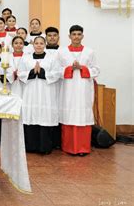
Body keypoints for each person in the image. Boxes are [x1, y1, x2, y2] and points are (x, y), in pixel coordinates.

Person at [59, 25, 100, 156]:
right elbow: (55, 70)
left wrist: (83, 68)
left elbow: (96, 69)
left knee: (83, 116)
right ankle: (68, 147)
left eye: (79, 34)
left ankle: (83, 148)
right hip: (68, 90)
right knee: (69, 115)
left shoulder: (90, 52)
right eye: (74, 34)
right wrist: (69, 68)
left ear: (82, 36)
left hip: (84, 90)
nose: (76, 36)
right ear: (69, 36)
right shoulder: (62, 52)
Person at [18, 36, 61, 154]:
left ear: (45, 44)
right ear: (33, 45)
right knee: (31, 116)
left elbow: (57, 73)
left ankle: (44, 147)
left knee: (44, 117)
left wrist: (42, 72)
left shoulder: (52, 59)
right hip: (30, 93)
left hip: (46, 93)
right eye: (36, 43)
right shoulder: (25, 58)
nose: (38, 45)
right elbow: (20, 72)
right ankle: (31, 146)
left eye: (41, 43)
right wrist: (32, 72)